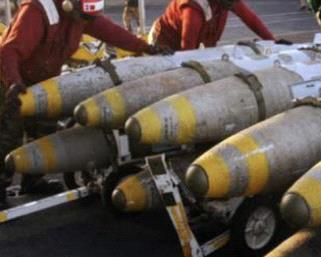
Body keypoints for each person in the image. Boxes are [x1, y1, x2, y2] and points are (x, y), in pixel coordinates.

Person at [0, 0, 169, 208]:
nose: (87, 22)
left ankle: (33, 181)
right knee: (8, 137)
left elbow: (112, 32)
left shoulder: (82, 15)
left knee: (44, 130)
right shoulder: (37, 11)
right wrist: (13, 82)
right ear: (68, 5)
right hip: (10, 81)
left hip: (41, 82)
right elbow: (9, 51)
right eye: (84, 17)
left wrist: (146, 47)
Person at [149, 0, 276, 51]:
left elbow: (251, 19)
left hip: (190, 42)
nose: (234, 5)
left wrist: (273, 41)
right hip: (165, 41)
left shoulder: (226, 2)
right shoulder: (193, 10)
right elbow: (187, 49)